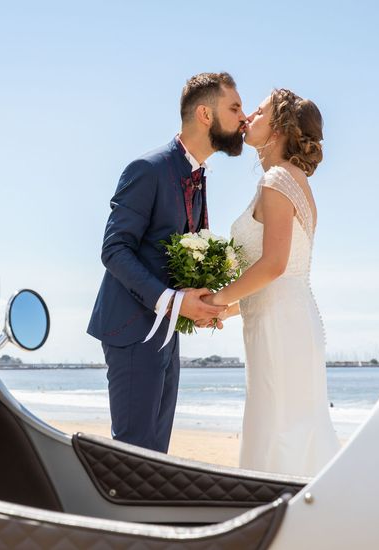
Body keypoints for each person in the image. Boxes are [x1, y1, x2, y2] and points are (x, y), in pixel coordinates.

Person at [87, 72, 246, 453]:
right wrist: (175, 302)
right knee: (134, 455)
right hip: (130, 331)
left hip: (165, 332)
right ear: (206, 115)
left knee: (155, 456)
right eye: (235, 108)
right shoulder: (149, 169)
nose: (243, 118)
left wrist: (197, 305)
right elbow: (114, 250)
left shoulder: (196, 175)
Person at [204, 88, 340, 475]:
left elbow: (274, 265)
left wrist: (215, 300)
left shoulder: (278, 179)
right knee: (286, 425)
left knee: (281, 431)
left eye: (260, 111)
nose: (248, 116)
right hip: (283, 316)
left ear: (278, 126)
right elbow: (275, 276)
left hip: (281, 324)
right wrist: (224, 310)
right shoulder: (288, 180)